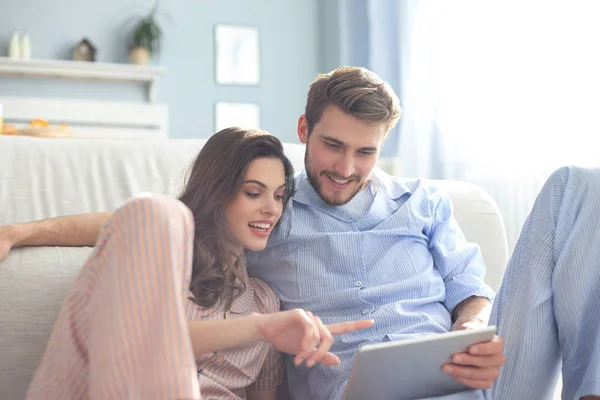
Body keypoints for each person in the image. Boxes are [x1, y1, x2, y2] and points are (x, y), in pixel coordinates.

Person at [2, 67, 599, 400]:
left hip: (478, 386)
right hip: (359, 394)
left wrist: (470, 328)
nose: (345, 168)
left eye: (365, 153)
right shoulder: (273, 204)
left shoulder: (424, 202)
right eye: (332, 145)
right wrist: (23, 230)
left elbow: (471, 289)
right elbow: (163, 221)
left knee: (578, 186)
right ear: (304, 129)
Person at [15, 127, 374, 400]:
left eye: (280, 197)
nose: (271, 209)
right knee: (160, 213)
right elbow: (142, 336)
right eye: (253, 192)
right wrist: (18, 233)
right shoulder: (162, 257)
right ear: (217, 193)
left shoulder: (266, 302)